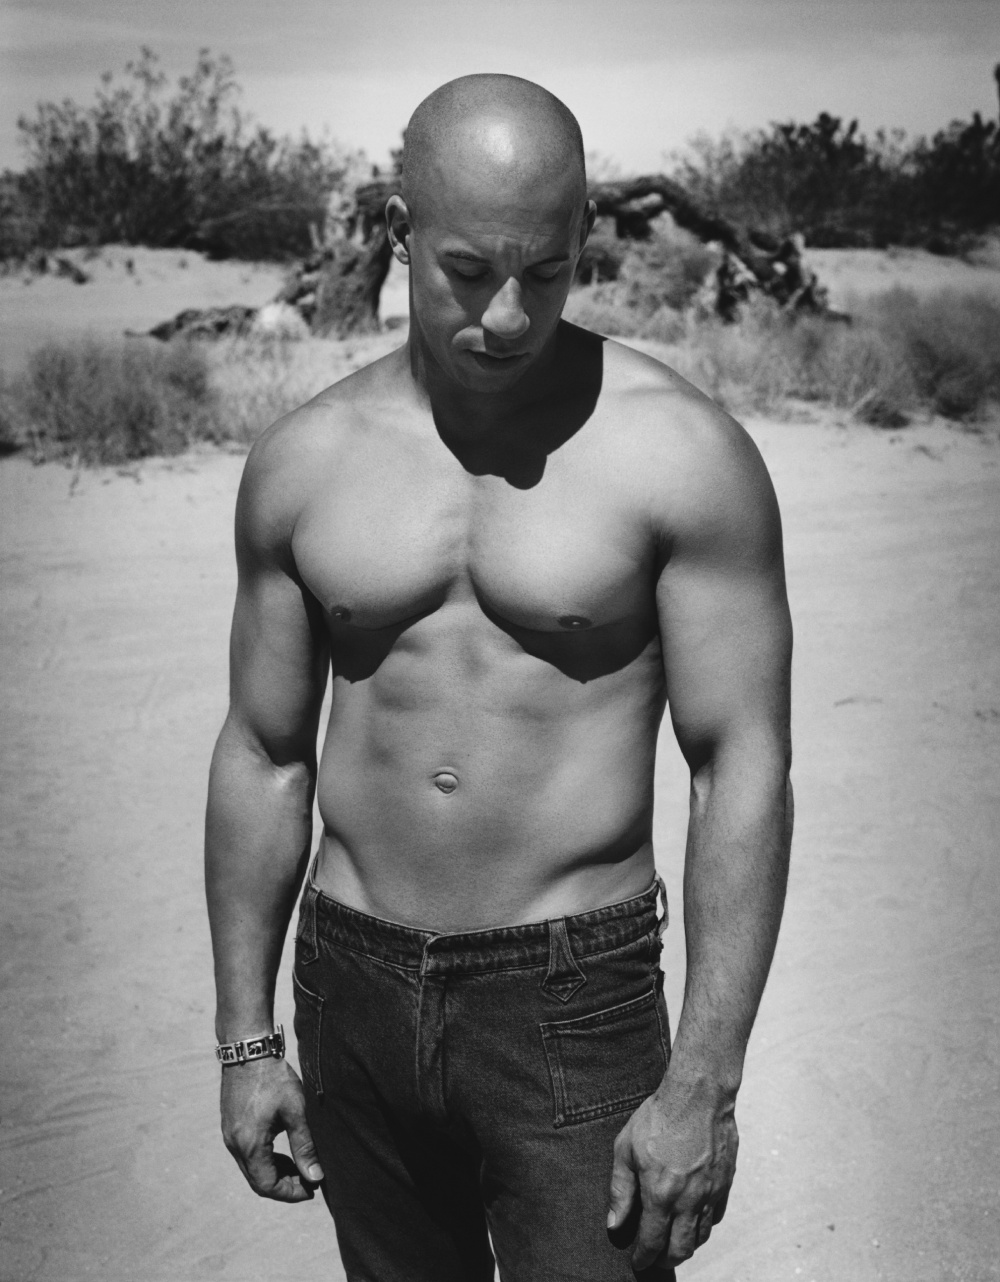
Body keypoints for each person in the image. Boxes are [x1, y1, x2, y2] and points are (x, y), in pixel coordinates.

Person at [206, 73, 792, 1282]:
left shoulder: (680, 453)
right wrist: (246, 1039)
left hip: (570, 995)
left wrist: (704, 1078)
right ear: (399, 232)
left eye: (547, 269)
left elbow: (739, 762)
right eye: (468, 271)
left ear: (585, 236)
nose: (510, 315)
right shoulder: (305, 459)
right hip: (352, 978)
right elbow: (265, 753)